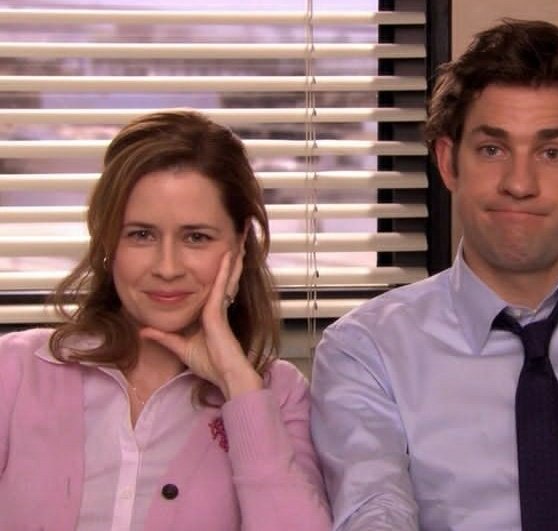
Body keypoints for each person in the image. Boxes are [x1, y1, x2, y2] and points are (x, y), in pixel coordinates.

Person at [310, 18, 558, 530]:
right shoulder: (368, 352)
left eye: (551, 153)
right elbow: (374, 512)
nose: (520, 184)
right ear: (448, 162)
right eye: (492, 149)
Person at [0, 110, 332, 530]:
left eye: (196, 237)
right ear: (108, 240)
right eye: (141, 234)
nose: (167, 267)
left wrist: (238, 386)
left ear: (240, 246)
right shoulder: (15, 370)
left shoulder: (278, 395)